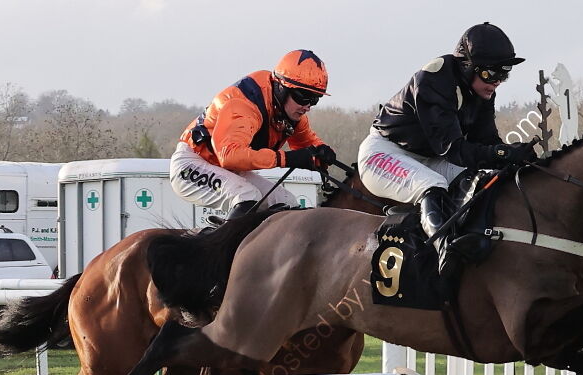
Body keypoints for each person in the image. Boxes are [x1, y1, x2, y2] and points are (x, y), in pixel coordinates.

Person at [357, 22, 537, 277]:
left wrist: (511, 155)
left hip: (430, 157)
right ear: (467, 66)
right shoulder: (433, 80)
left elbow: (486, 142)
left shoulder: (483, 92)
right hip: (384, 153)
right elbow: (455, 150)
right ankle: (444, 250)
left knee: (481, 179)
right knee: (433, 184)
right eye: (490, 74)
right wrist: (502, 154)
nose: (496, 82)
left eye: (503, 75)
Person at [171, 50, 337, 219]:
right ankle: (223, 245)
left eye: (315, 99)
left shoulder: (290, 113)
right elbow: (230, 156)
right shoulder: (244, 106)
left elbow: (306, 143)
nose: (308, 106)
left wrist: (321, 152)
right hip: (192, 164)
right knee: (246, 196)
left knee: (287, 201)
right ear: (281, 87)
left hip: (227, 170)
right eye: (304, 97)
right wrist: (287, 159)